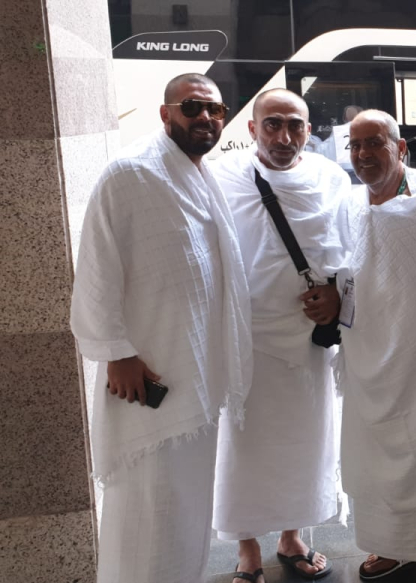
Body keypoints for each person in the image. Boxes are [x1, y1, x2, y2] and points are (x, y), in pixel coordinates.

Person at [70, 73, 253, 583]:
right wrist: (116, 351)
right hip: (147, 376)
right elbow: (97, 270)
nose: (206, 118)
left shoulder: (199, 174)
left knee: (185, 510)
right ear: (165, 113)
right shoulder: (130, 173)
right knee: (146, 511)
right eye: (192, 107)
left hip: (194, 376)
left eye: (215, 109)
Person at [211, 88, 344, 582]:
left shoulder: (330, 178)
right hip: (246, 336)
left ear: (308, 130)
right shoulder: (222, 177)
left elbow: (348, 250)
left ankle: (292, 536)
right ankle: (247, 549)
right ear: (252, 128)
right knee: (242, 445)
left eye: (295, 125)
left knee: (304, 443)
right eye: (273, 124)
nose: (284, 137)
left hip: (307, 339)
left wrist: (336, 296)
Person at [336, 109, 416, 583]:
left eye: (375, 143)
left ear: (401, 148)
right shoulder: (351, 203)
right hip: (366, 352)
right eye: (355, 145)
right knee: (372, 457)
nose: (364, 154)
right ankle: (390, 546)